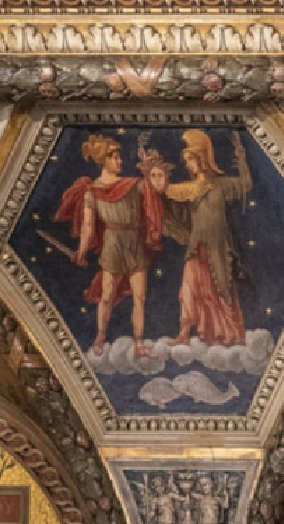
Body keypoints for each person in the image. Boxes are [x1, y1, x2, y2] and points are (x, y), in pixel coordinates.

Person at [54, 133, 168, 358]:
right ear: (102, 160)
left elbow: (156, 189)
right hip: (113, 244)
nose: (120, 161)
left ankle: (138, 343)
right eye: (114, 157)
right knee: (107, 296)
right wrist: (81, 251)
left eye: (118, 157)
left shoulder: (134, 185)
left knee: (140, 297)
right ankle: (100, 336)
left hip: (134, 242)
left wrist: (153, 168)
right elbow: (88, 227)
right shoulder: (91, 192)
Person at [161, 129, 251, 347]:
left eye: (190, 159)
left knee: (220, 289)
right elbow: (163, 191)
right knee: (189, 288)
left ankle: (227, 333)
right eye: (186, 160)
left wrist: (241, 157)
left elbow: (245, 185)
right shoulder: (187, 189)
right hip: (196, 247)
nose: (188, 165)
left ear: (201, 158)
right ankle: (184, 332)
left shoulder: (221, 186)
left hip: (218, 248)